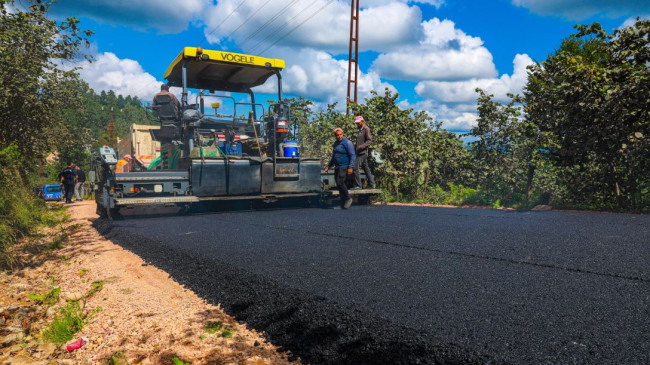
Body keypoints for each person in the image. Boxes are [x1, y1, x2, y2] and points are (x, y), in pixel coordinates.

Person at [324, 128, 356, 209]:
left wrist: (350, 167)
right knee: (338, 184)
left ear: (343, 134)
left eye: (340, 134)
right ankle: (342, 204)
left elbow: (353, 155)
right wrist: (329, 166)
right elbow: (334, 157)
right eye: (337, 135)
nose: (339, 136)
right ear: (335, 136)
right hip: (337, 167)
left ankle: (348, 198)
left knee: (340, 182)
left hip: (344, 166)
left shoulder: (347, 143)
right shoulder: (335, 144)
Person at [352, 115, 375, 189]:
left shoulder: (366, 129)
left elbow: (369, 141)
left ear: (362, 121)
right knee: (366, 168)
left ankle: (359, 185)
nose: (357, 124)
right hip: (359, 152)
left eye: (358, 123)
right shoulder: (361, 129)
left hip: (362, 152)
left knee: (355, 167)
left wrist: (361, 146)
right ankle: (371, 184)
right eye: (356, 123)